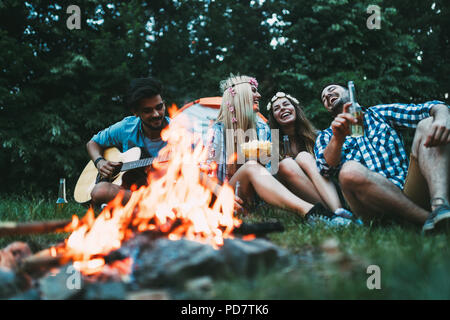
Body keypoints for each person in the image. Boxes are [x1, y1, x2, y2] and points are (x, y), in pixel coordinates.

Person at [207, 74, 352, 223]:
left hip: (255, 199)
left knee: (280, 163)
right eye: (253, 90)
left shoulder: (263, 130)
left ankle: (335, 215)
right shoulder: (217, 131)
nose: (259, 95)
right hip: (223, 196)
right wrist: (219, 191)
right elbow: (196, 172)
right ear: (240, 95)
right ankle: (311, 213)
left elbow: (271, 173)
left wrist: (265, 163)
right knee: (251, 167)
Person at [317, 83, 449, 233]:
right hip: (372, 207)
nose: (327, 95)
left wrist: (443, 117)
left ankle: (440, 208)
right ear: (327, 108)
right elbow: (324, 169)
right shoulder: (327, 135)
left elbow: (430, 108)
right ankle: (427, 220)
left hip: (408, 191)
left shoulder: (380, 113)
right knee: (349, 171)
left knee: (428, 123)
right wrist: (338, 138)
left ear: (349, 92)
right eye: (324, 98)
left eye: (331, 89)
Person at [267, 92, 360, 223]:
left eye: (286, 104)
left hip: (328, 192)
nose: (282, 108)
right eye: (276, 108)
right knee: (286, 164)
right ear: (274, 118)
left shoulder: (317, 136)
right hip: (293, 197)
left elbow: (331, 167)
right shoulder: (271, 144)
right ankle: (335, 216)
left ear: (295, 109)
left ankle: (338, 213)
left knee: (304, 157)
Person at [86, 77, 170, 205]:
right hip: (128, 191)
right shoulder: (126, 127)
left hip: (162, 190)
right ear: (136, 112)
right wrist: (99, 162)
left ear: (164, 103)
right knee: (100, 191)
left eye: (159, 107)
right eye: (148, 110)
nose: (156, 114)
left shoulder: (179, 132)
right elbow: (92, 143)